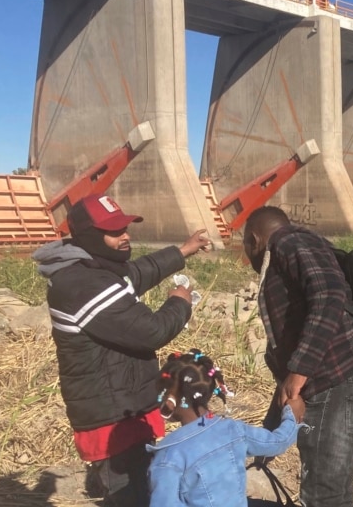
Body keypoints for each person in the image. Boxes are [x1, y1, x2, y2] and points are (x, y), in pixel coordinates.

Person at [32, 193, 212, 506]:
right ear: (88, 236)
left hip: (125, 402)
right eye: (114, 231)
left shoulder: (96, 267)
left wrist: (183, 250)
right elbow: (151, 332)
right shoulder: (81, 283)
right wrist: (180, 302)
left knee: (142, 483)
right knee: (128, 493)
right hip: (110, 416)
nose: (125, 235)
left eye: (125, 227)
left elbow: (137, 273)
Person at [242, 206, 353, 507]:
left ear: (254, 240)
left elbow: (328, 293)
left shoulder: (287, 242)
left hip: (340, 382)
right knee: (331, 491)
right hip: (335, 383)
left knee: (323, 494)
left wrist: (298, 371)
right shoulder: (295, 248)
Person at [147, 348, 305, 506]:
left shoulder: (168, 457)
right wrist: (291, 414)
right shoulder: (233, 430)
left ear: (170, 400)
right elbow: (278, 442)